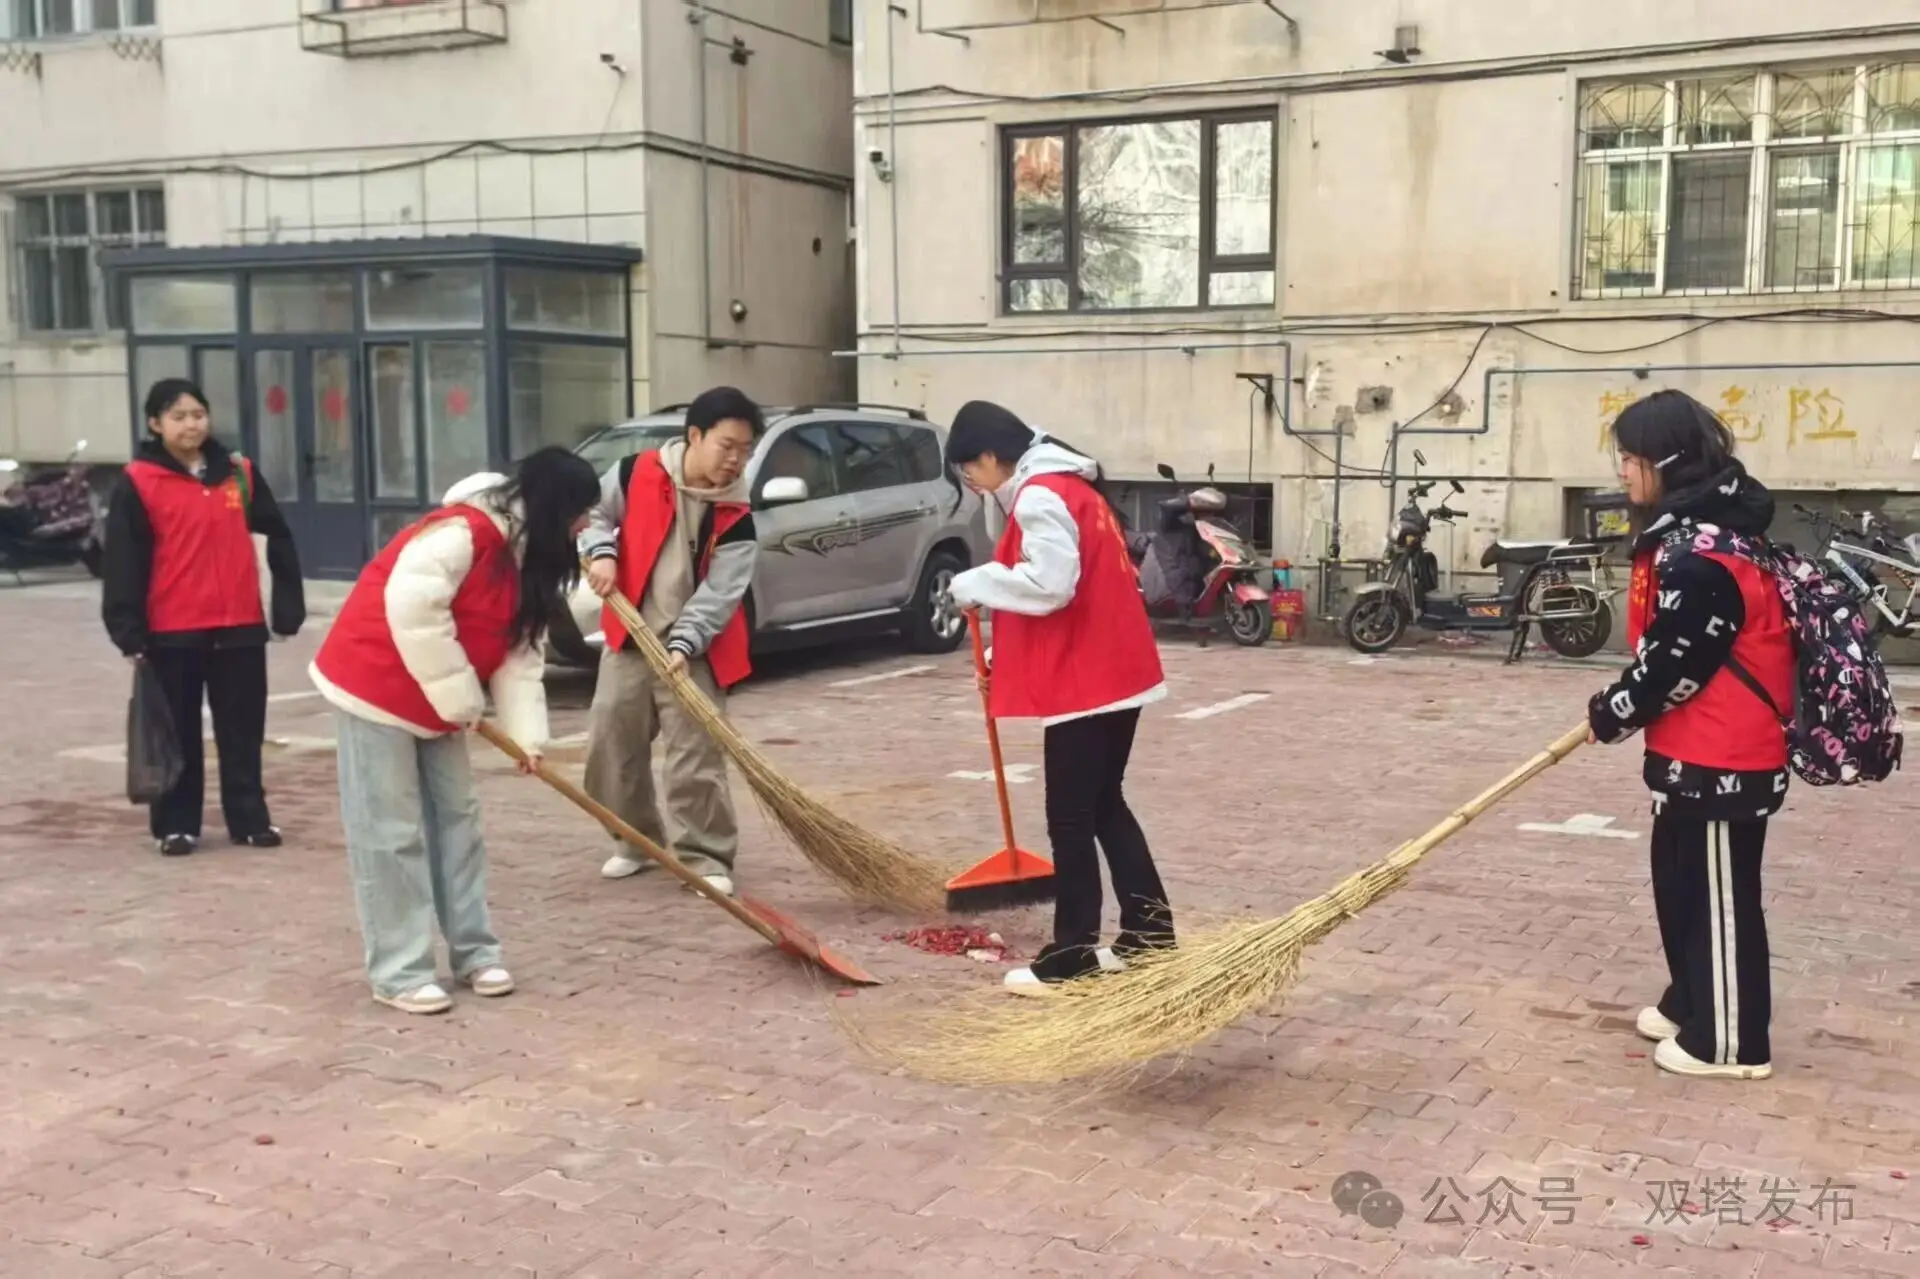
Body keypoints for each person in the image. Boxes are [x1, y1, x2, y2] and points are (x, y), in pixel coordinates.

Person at [309, 448, 600, 1015]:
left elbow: (521, 652)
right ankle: (400, 970)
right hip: (375, 685)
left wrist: (525, 739)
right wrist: (464, 699)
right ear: (548, 506)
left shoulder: (530, 555)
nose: (585, 525)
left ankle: (475, 951)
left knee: (459, 822)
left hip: (443, 701)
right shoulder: (461, 535)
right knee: (391, 833)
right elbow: (412, 611)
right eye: (579, 512)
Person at [1586, 389, 1792, 1081]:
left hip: (1725, 756)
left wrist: (1613, 709)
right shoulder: (1691, 536)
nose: (1622, 471)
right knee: (1679, 881)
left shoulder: (1703, 555)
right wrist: (1620, 708)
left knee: (1720, 895)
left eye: (1630, 458)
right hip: (1689, 751)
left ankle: (1733, 1041)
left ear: (1665, 464)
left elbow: (1676, 663)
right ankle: (1693, 1000)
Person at [941, 400, 1175, 994]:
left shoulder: (1041, 495)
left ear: (992, 456)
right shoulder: (1075, 489)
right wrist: (1004, 656)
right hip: (1116, 673)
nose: (970, 480)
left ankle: (1072, 952)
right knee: (1103, 806)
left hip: (1087, 683)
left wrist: (973, 583)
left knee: (1070, 819)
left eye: (969, 467)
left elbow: (1051, 587)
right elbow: (1076, 595)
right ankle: (1149, 933)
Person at [102, 378, 305, 857]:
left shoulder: (239, 472)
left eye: (197, 414)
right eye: (178, 417)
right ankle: (176, 824)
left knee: (243, 728)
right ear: (155, 425)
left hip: (239, 624)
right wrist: (128, 632)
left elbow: (277, 538)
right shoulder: (139, 481)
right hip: (172, 628)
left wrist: (286, 608)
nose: (191, 424)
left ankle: (250, 819)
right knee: (179, 730)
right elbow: (123, 561)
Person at [580, 387, 763, 897]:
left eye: (745, 450)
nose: (735, 460)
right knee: (610, 743)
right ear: (695, 435)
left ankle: (703, 855)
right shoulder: (634, 473)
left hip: (696, 649)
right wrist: (602, 553)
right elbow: (591, 512)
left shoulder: (737, 511)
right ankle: (635, 841)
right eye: (727, 446)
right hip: (630, 635)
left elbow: (723, 590)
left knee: (695, 755)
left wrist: (685, 642)